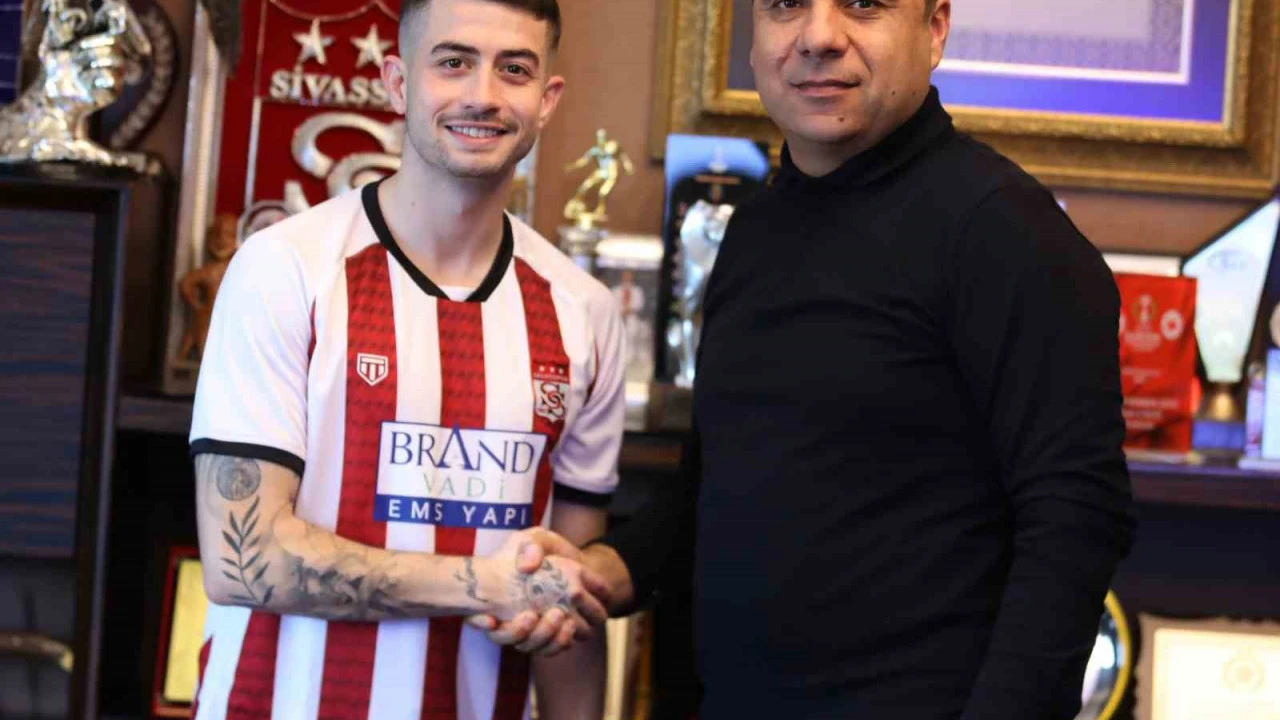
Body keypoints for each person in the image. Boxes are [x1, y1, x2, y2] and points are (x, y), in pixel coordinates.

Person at [484, 1, 1136, 718]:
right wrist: (607, 569)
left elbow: (1075, 521)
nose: (819, 36)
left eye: (863, 3)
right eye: (787, 4)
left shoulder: (1007, 230)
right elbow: (722, 483)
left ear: (935, 28)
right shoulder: (754, 229)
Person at [187, 1, 625, 718]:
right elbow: (243, 560)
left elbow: (568, 600)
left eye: (514, 70)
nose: (483, 94)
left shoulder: (585, 312)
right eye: (452, 62)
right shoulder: (283, 270)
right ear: (397, 82)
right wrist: (485, 582)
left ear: (547, 100)